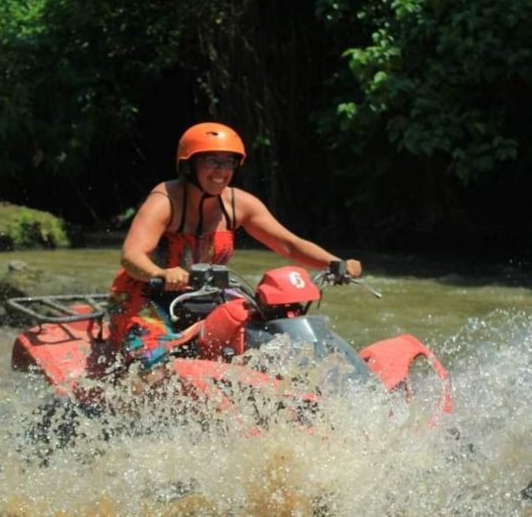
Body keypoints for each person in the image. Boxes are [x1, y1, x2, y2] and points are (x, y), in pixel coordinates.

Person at [108, 122, 362, 369]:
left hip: (203, 294)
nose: (221, 171)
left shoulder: (239, 204)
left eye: (229, 162)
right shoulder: (165, 199)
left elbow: (289, 244)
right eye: (212, 161)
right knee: (153, 364)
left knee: (263, 327)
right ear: (189, 166)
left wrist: (336, 263)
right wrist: (161, 273)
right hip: (146, 295)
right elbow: (131, 255)